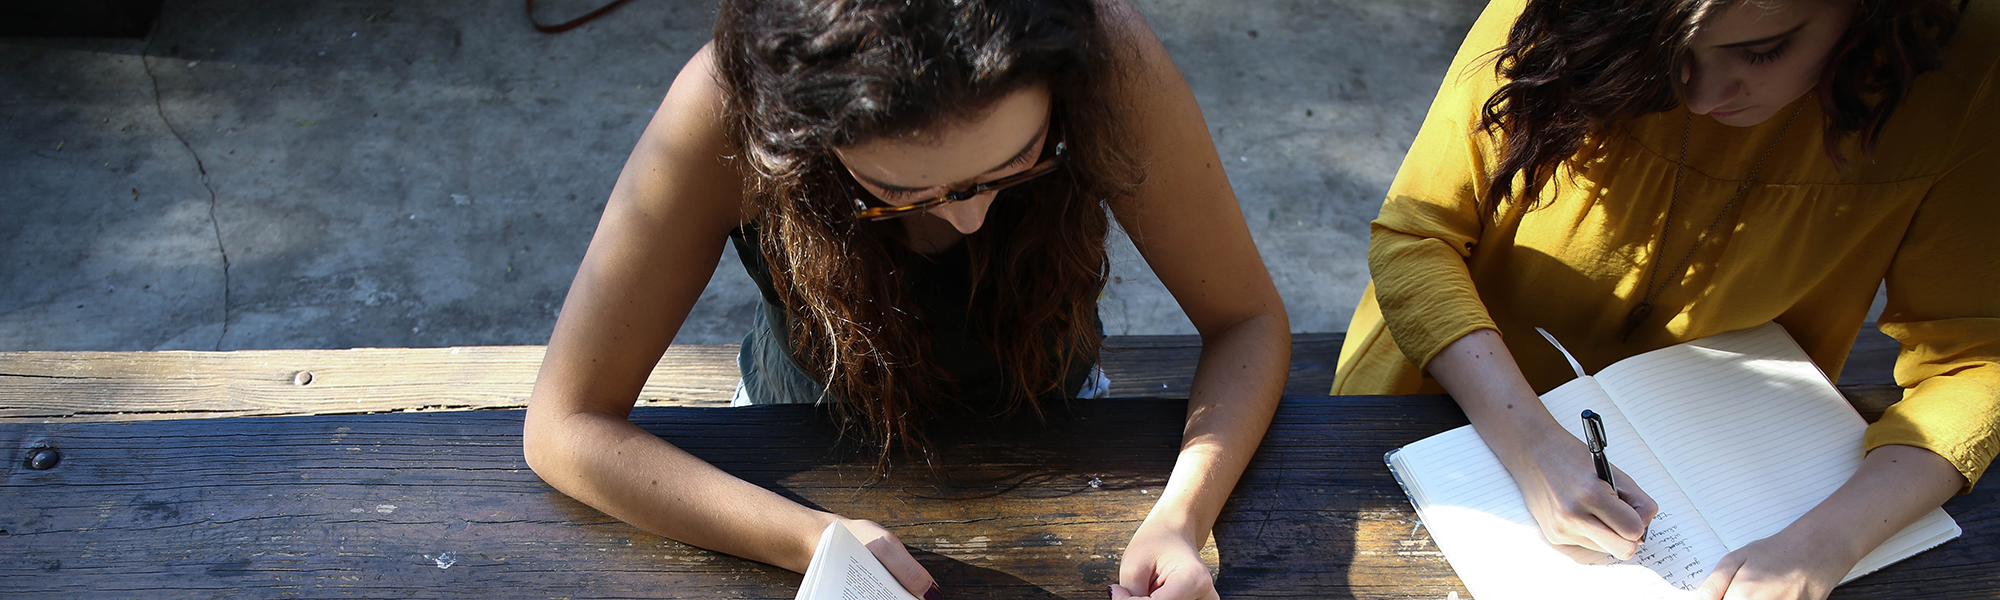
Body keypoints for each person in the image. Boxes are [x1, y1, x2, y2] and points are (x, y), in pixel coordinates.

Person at [521, 1, 1290, 599]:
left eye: (1017, 163)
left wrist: (1180, 519)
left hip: (1058, 414)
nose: (970, 217)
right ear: (797, 134)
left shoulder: (1106, 56)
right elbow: (564, 425)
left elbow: (1247, 320)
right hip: (791, 441)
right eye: (901, 190)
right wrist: (811, 539)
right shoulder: (729, 104)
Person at [1333, 0, 1995, 597]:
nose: (1701, 96)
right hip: (1441, 397)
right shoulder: (1561, 13)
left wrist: (1825, 545)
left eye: (1762, 51)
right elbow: (1417, 236)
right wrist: (1531, 444)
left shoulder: (1965, 72)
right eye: (1670, 49)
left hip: (1743, 459)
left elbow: (1976, 361)